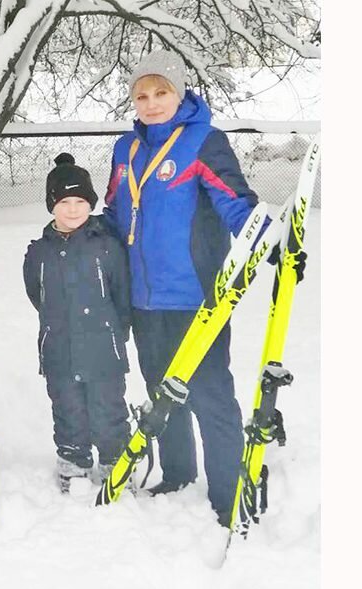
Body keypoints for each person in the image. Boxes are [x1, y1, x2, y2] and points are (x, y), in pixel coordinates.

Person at [103, 50, 259, 524]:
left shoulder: (204, 142)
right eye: (142, 95)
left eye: (161, 93)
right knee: (159, 390)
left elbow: (235, 202)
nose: (151, 104)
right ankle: (177, 474)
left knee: (210, 393)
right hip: (144, 300)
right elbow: (116, 213)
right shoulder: (125, 150)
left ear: (180, 93)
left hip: (197, 298)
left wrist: (265, 234)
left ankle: (228, 492)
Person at [23, 154, 132, 492]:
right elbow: (35, 293)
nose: (73, 209)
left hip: (103, 348)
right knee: (68, 408)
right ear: (52, 205)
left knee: (108, 408)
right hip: (60, 349)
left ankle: (115, 461)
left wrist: (115, 331)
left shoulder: (108, 247)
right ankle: (74, 462)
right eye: (65, 201)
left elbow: (122, 294)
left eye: (81, 201)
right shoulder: (38, 252)